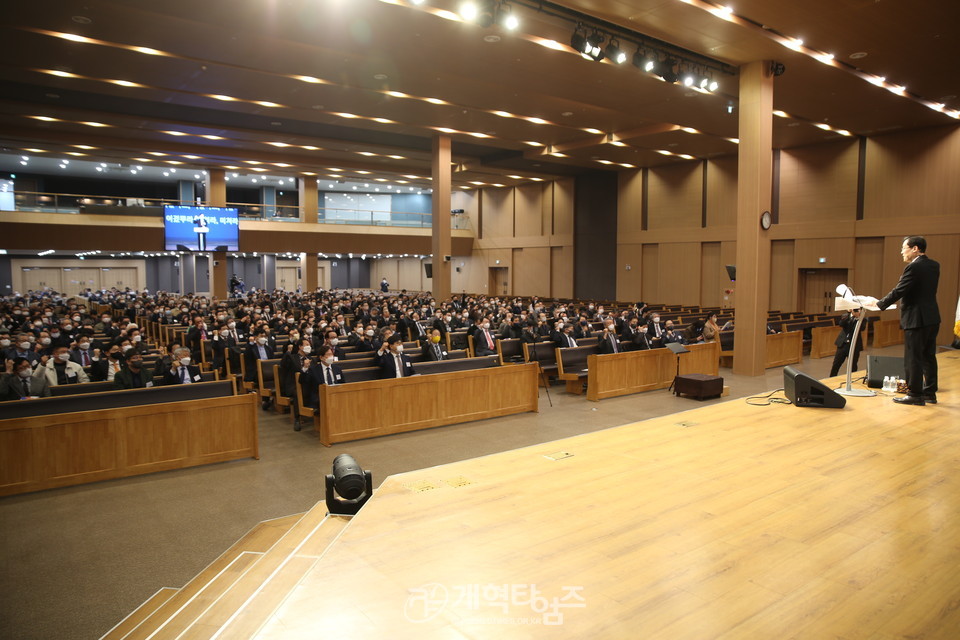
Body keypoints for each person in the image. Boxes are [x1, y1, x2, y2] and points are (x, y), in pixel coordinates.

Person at [871, 236, 940, 405]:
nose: (902, 251)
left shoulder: (913, 267)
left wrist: (880, 304)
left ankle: (915, 394)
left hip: (916, 319)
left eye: (904, 248)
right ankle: (930, 393)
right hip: (932, 317)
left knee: (913, 357)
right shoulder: (934, 265)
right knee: (928, 356)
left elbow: (899, 290)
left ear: (915, 248)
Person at [299, 344, 346, 413]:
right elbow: (302, 381)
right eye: (328, 355)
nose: (331, 357)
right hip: (320, 397)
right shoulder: (314, 370)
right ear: (321, 357)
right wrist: (305, 368)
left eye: (331, 354)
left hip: (335, 394)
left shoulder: (337, 369)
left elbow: (342, 383)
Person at [829, 308, 864, 377]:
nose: (855, 311)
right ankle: (831, 378)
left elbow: (862, 328)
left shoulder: (862, 319)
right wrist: (849, 314)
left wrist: (858, 318)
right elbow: (841, 324)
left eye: (857, 309)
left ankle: (852, 379)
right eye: (855, 309)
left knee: (853, 364)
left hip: (854, 345)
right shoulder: (845, 315)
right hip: (842, 344)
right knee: (836, 363)